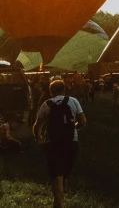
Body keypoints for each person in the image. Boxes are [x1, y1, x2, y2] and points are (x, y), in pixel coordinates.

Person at [33, 79, 86, 208]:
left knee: (56, 174)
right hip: (71, 141)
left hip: (52, 142)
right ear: (64, 89)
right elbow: (83, 121)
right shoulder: (73, 101)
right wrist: (73, 127)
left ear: (51, 92)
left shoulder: (46, 104)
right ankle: (59, 202)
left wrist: (38, 136)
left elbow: (37, 125)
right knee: (64, 173)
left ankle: (59, 203)